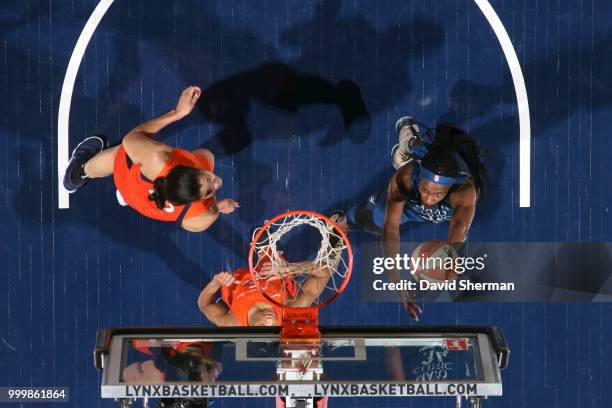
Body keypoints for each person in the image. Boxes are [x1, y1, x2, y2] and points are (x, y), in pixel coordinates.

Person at [332, 117, 487, 320]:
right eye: (425, 190)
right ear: (419, 179)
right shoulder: (404, 178)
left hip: (436, 196)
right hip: (409, 203)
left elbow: (458, 231)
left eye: (438, 194)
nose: (429, 199)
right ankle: (411, 142)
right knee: (377, 223)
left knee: (437, 159)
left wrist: (444, 267)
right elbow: (391, 229)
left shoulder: (464, 192)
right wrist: (396, 282)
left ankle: (414, 145)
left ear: (449, 189)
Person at [63, 86, 239, 232]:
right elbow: (187, 223)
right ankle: (122, 196)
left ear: (189, 169)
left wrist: (177, 113)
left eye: (209, 184)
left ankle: (76, 175)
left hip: (128, 183)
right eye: (210, 181)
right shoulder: (205, 217)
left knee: (122, 153)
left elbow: (131, 138)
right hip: (139, 203)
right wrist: (217, 204)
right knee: (207, 155)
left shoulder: (157, 159)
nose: (215, 182)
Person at [198, 250, 340, 327]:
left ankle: (263, 251)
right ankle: (267, 251)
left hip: (238, 282)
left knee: (226, 287)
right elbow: (324, 274)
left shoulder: (232, 322)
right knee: (270, 254)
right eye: (275, 328)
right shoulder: (290, 310)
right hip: (275, 275)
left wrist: (214, 285)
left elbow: (204, 305)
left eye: (262, 326)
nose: (270, 321)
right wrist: (290, 268)